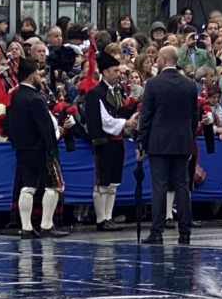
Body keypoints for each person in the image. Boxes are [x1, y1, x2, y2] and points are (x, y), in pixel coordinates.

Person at [136, 46, 199, 245]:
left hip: (159, 142)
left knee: (159, 187)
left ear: (164, 59)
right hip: (182, 142)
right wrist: (189, 140)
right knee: (182, 186)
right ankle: (185, 231)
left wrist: (141, 142)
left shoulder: (153, 84)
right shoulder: (189, 84)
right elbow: (194, 117)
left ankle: (157, 231)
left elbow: (146, 116)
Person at [6, 57, 68, 239]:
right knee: (54, 185)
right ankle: (46, 225)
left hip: (22, 149)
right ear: (31, 75)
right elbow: (46, 128)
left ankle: (26, 227)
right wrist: (52, 149)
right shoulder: (34, 98)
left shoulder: (15, 97)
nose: (40, 77)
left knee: (28, 186)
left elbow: (9, 125)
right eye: (37, 74)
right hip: (41, 149)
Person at [85, 52, 138, 232]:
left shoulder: (116, 91)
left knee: (114, 181)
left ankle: (109, 217)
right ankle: (101, 219)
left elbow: (118, 112)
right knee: (103, 181)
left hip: (117, 141)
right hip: (104, 142)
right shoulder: (95, 93)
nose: (118, 74)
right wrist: (125, 122)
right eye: (115, 70)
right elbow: (104, 119)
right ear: (105, 72)